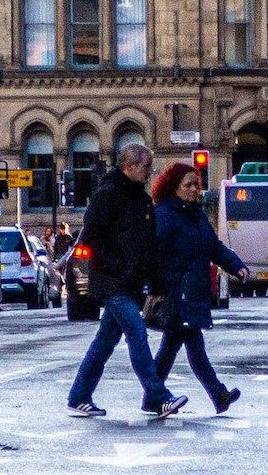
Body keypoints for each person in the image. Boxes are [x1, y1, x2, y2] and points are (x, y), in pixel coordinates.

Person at [66, 143, 187, 420]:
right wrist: (116, 266)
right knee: (137, 332)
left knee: (104, 343)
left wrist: (155, 283)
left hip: (129, 283)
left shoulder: (142, 200)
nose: (150, 173)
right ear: (129, 166)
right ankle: (158, 397)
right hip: (113, 282)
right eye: (146, 167)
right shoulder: (107, 195)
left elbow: (149, 246)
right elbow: (92, 236)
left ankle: (79, 396)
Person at [150, 162, 249, 414]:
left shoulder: (197, 216)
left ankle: (152, 396)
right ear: (174, 188)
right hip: (177, 291)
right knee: (193, 345)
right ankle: (218, 395)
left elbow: (213, 247)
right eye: (188, 185)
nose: (195, 189)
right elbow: (154, 251)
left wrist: (236, 265)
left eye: (197, 184)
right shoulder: (164, 214)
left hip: (193, 290)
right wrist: (156, 283)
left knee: (171, 347)